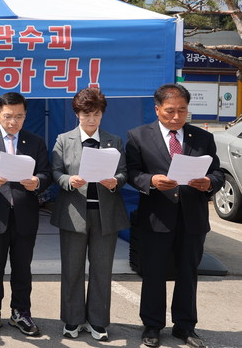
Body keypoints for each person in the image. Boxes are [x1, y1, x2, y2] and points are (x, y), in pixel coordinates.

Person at [126, 83, 224, 348]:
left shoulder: (202, 137)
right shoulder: (138, 136)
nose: (176, 116)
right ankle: (152, 325)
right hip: (156, 217)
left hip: (192, 219)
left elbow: (217, 172)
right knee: (153, 273)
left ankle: (185, 326)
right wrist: (151, 181)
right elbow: (132, 172)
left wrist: (210, 182)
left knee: (188, 274)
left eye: (182, 110)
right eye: (170, 110)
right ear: (157, 109)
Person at [0, 91, 51, 338]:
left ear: (25, 116)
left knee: (22, 267)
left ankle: (21, 312)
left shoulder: (35, 141)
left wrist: (37, 181)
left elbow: (46, 173)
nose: (13, 122)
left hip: (25, 214)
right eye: (8, 116)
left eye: (19, 116)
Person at [51, 87, 129, 341]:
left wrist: (115, 181)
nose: (91, 119)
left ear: (102, 114)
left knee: (101, 270)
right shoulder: (64, 140)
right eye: (86, 114)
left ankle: (98, 321)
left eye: (96, 114)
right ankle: (72, 319)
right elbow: (55, 172)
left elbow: (124, 172)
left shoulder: (114, 141)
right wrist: (68, 180)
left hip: (105, 214)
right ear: (77, 114)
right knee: (71, 269)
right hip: (74, 213)